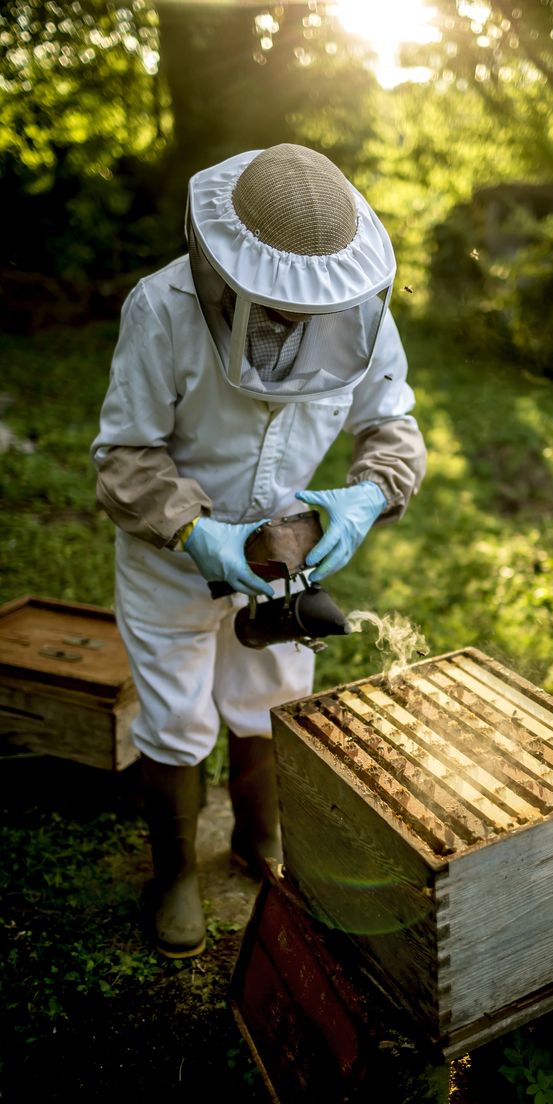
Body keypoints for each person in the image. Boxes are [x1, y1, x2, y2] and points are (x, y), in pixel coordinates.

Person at [91, 143, 426, 959]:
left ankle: (256, 835)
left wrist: (367, 496)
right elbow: (125, 454)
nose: (296, 325)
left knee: (272, 696)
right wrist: (194, 530)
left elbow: (392, 425)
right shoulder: (161, 307)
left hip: (283, 555)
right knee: (175, 714)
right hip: (170, 552)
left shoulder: (358, 310)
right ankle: (176, 873)